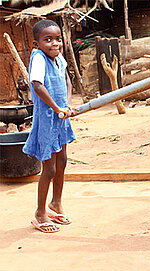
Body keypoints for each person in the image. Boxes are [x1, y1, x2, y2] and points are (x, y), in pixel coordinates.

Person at [23, 19, 77, 233]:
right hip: (47, 118)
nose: (54, 44)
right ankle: (40, 213)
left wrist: (68, 104)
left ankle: (56, 203)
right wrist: (56, 108)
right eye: (48, 40)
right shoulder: (38, 58)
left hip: (61, 117)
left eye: (57, 39)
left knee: (62, 161)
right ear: (36, 44)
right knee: (50, 168)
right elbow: (37, 85)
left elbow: (67, 81)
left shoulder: (59, 59)